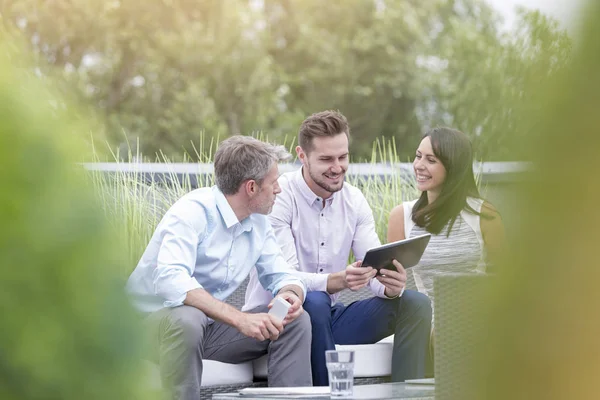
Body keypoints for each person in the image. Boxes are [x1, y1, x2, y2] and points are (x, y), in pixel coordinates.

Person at [243, 110, 432, 386]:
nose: (337, 167)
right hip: (279, 318)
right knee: (316, 300)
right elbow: (285, 277)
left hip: (327, 319)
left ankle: (407, 396)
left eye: (343, 157)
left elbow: (375, 267)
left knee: (415, 303)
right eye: (326, 159)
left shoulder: (354, 200)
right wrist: (336, 281)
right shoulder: (279, 196)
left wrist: (390, 285)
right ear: (302, 155)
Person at [126, 136, 313, 400]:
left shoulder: (258, 223)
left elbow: (282, 274)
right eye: (274, 183)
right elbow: (171, 280)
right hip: (147, 331)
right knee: (188, 317)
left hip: (205, 330)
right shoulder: (192, 212)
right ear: (251, 187)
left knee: (295, 321)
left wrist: (290, 294)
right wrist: (240, 319)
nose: (279, 190)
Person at [387, 127, 506, 308]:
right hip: (424, 324)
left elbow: (506, 280)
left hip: (474, 321)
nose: (419, 165)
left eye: (431, 160)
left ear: (453, 167)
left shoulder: (484, 215)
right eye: (418, 156)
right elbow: (395, 289)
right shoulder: (401, 216)